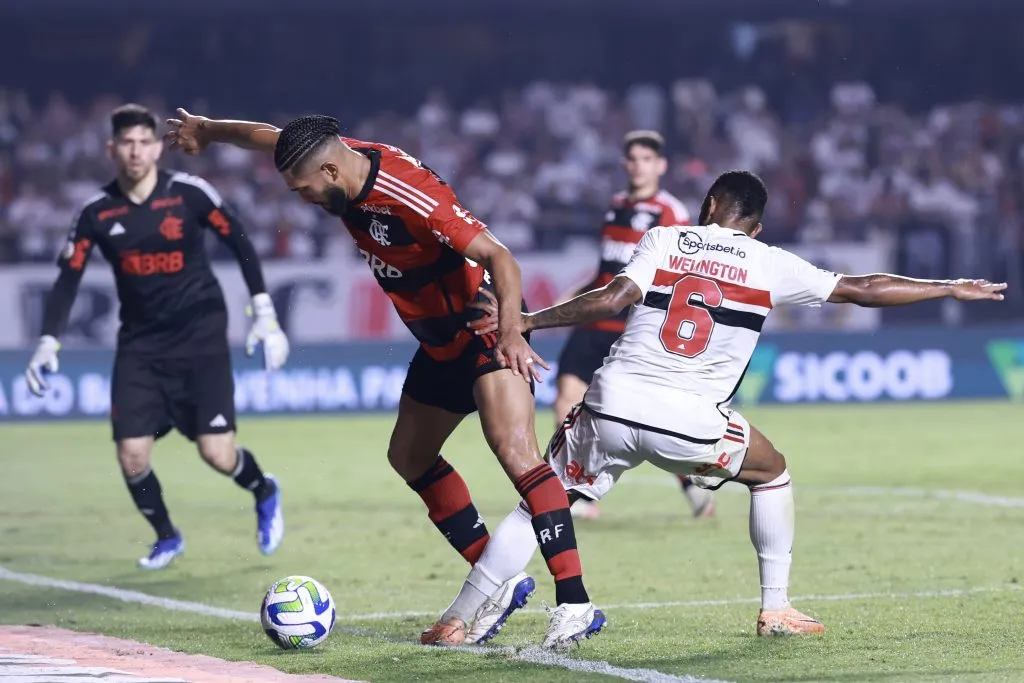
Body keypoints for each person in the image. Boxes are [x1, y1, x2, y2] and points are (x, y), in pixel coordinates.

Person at [450, 170, 1006, 641]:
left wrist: (527, 320)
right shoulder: (768, 262)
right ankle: (776, 606)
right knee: (773, 473)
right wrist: (949, 286)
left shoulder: (665, 240)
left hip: (612, 406)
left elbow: (613, 299)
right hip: (689, 423)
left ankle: (457, 618)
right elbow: (864, 287)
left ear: (710, 205)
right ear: (756, 226)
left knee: (543, 501)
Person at [165, 109, 600, 649]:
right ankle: (500, 581)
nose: (302, 201)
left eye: (303, 191)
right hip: (439, 345)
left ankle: (574, 602)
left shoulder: (409, 196)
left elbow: (500, 257)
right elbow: (270, 137)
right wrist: (206, 129)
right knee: (409, 456)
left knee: (516, 453)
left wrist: (513, 332)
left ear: (328, 174)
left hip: (483, 328)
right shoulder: (331, 157)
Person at [24, 104, 290, 570]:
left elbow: (240, 241)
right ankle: (166, 535)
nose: (136, 151)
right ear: (112, 149)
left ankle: (263, 489)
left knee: (217, 453)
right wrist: (49, 341)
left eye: (144, 141)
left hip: (202, 340)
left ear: (156, 146)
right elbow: (67, 278)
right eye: (126, 142)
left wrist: (263, 310)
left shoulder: (189, 194)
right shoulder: (97, 212)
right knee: (131, 455)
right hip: (141, 347)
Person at [554, 130, 712, 521]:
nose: (637, 165)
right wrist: (573, 297)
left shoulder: (671, 213)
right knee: (566, 399)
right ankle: (576, 490)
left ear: (660, 166)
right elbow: (605, 270)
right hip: (594, 318)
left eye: (645, 159)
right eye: (632, 158)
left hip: (631, 327)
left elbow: (678, 274)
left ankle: (691, 485)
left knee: (643, 415)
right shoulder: (613, 208)